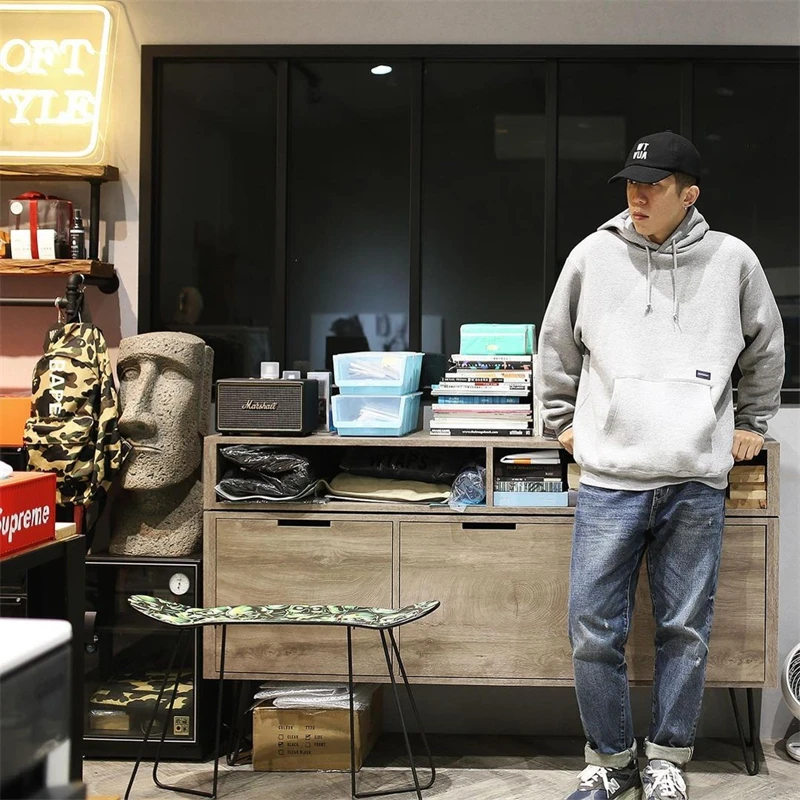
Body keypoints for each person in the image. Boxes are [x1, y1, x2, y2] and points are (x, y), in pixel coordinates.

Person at [535, 130, 784, 800]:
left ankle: (667, 759)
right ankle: (611, 761)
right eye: (630, 184)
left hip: (694, 479)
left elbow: (766, 348)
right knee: (592, 632)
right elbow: (556, 347)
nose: (636, 196)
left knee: (684, 632)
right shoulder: (592, 255)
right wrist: (560, 422)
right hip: (610, 482)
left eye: (653, 185)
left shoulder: (732, 260)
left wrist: (752, 424)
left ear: (689, 194)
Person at [109, 331, 213, 557]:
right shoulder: (108, 512)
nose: (130, 416)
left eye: (172, 374)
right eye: (129, 374)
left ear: (203, 401)